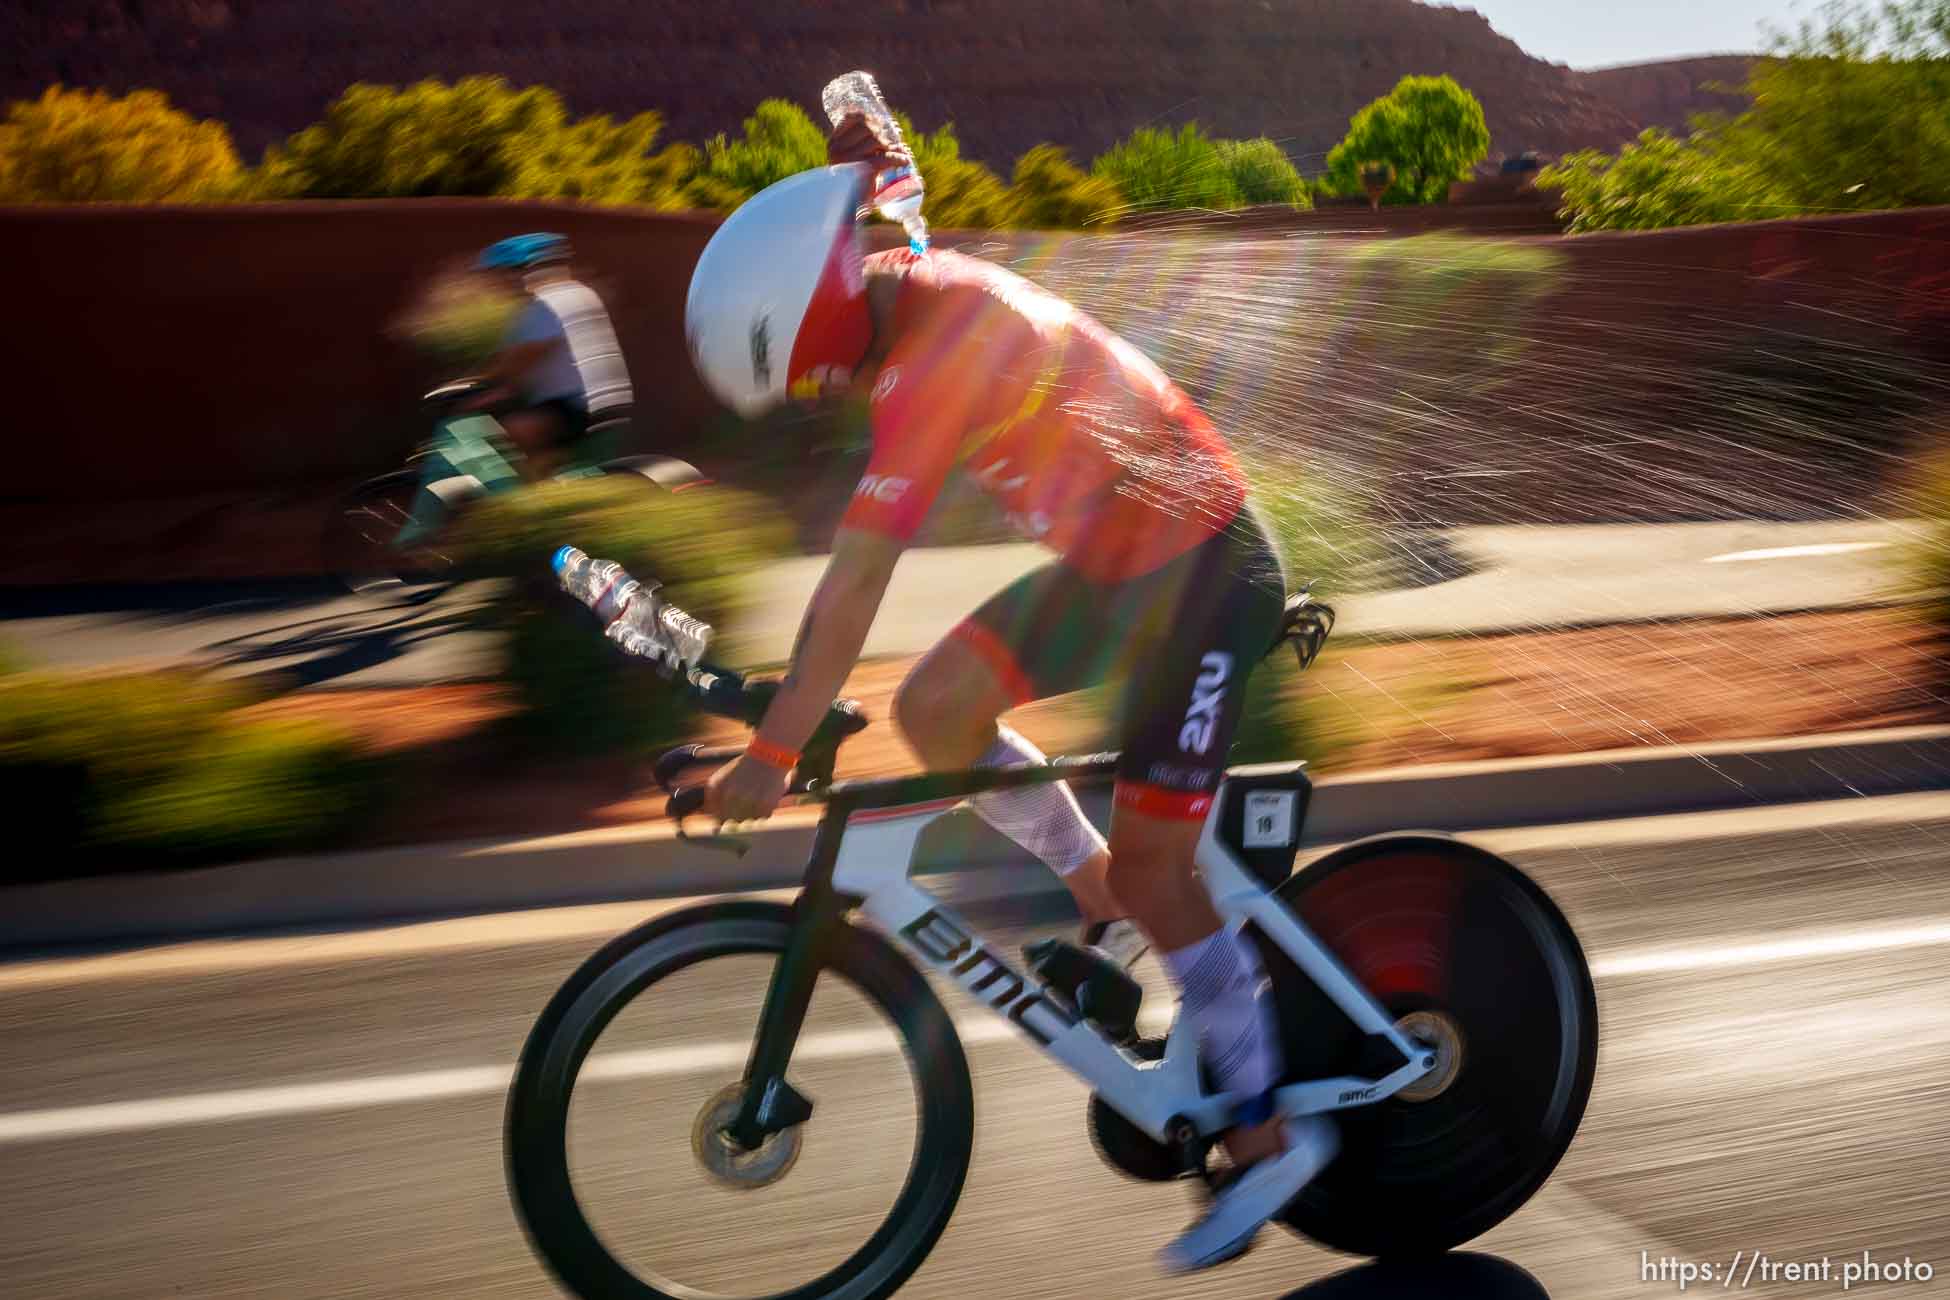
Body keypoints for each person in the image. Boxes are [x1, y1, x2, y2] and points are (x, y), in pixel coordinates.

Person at [685, 119, 1338, 1273]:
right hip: (1114, 570)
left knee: (1159, 868)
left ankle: (1268, 1129)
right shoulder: (885, 287)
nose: (817, 389)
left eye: (804, 366)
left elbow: (853, 587)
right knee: (934, 711)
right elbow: (878, 189)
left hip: (1205, 574)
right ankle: (1099, 887)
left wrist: (775, 753)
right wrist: (861, 149)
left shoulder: (940, 356)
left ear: (823, 314)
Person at [393, 232, 635, 549]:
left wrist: (466, 392)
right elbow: (545, 365)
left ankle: (526, 520)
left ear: (521, 271)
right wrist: (497, 389)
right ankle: (555, 521)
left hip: (572, 409)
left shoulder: (543, 306)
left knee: (487, 436)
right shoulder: (579, 293)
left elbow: (514, 366)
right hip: (607, 402)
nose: (496, 287)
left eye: (499, 277)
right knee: (536, 462)